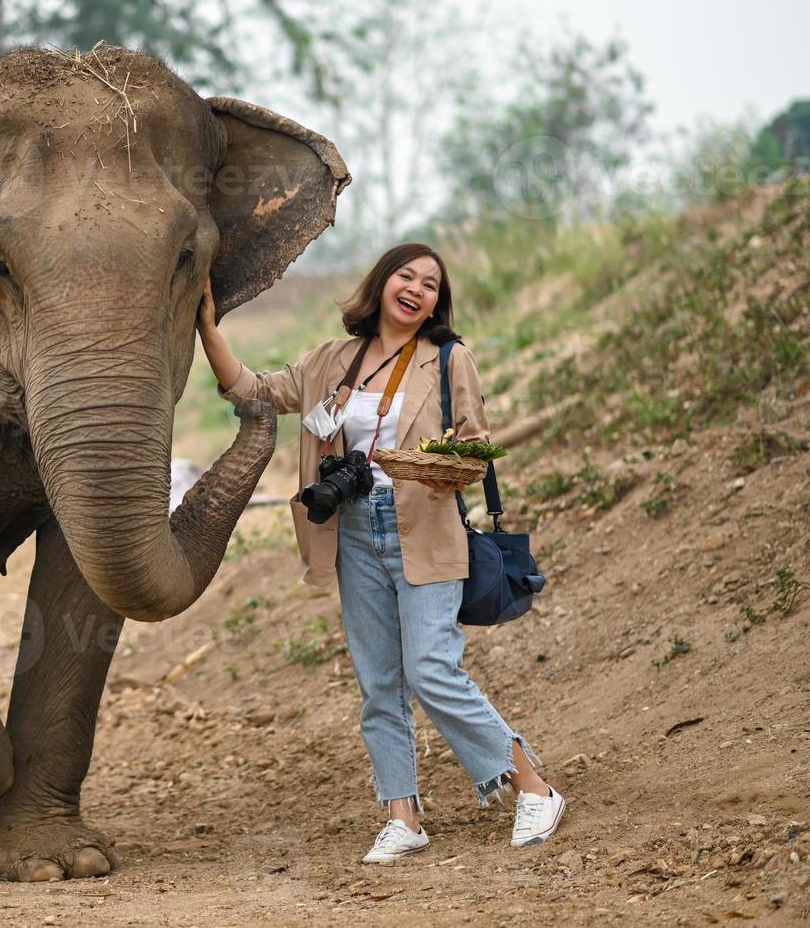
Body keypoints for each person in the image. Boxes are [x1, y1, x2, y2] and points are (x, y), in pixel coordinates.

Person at [195, 243, 565, 864]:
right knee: (379, 683)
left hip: (425, 526)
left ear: (434, 304)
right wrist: (208, 328)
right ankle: (404, 816)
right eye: (406, 275)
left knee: (432, 670)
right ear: (382, 283)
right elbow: (252, 390)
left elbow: (475, 448)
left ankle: (533, 786)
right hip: (352, 532)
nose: (416, 288)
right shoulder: (332, 361)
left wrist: (426, 465)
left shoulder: (450, 360)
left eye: (430, 284)